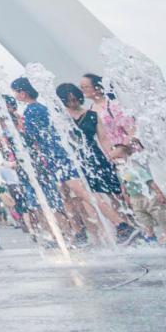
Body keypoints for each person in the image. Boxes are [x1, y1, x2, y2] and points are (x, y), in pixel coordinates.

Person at [10, 79, 89, 243]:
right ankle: (79, 231)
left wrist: (20, 130)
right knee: (67, 197)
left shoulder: (31, 111)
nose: (15, 96)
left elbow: (31, 139)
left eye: (15, 92)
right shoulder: (41, 108)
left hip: (55, 158)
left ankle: (116, 223)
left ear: (23, 94)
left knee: (78, 194)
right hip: (56, 156)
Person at [56, 81, 129, 241]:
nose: (73, 102)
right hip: (75, 159)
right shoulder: (60, 117)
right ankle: (106, 232)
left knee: (112, 192)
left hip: (94, 156)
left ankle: (125, 226)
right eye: (69, 100)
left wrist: (111, 156)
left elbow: (103, 138)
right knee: (87, 197)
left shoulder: (92, 115)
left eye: (75, 99)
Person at [109, 141, 166, 245]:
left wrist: (159, 193)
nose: (116, 160)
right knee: (143, 218)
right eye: (113, 158)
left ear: (127, 156)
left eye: (118, 157)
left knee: (161, 215)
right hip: (135, 199)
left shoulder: (137, 169)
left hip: (148, 196)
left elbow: (150, 182)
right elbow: (123, 185)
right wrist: (126, 197)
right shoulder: (121, 172)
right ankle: (151, 237)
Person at [79, 73, 136, 153]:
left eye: (86, 87)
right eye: (81, 87)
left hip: (128, 151)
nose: (82, 90)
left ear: (98, 88)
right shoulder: (90, 111)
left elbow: (132, 130)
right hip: (111, 155)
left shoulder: (114, 106)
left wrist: (122, 149)